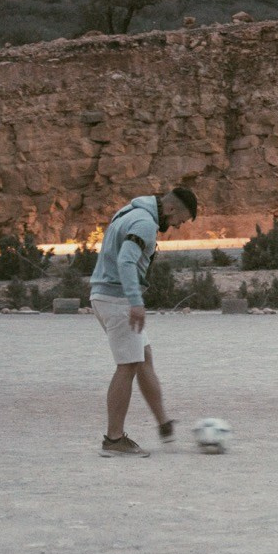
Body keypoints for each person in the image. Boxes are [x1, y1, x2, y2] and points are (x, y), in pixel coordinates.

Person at [89, 187, 198, 457]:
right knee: (127, 365)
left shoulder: (131, 211)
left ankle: (163, 423)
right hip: (118, 300)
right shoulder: (145, 223)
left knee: (143, 357)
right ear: (171, 209)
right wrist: (135, 301)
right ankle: (114, 440)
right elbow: (126, 261)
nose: (175, 227)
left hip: (106, 295)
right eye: (179, 221)